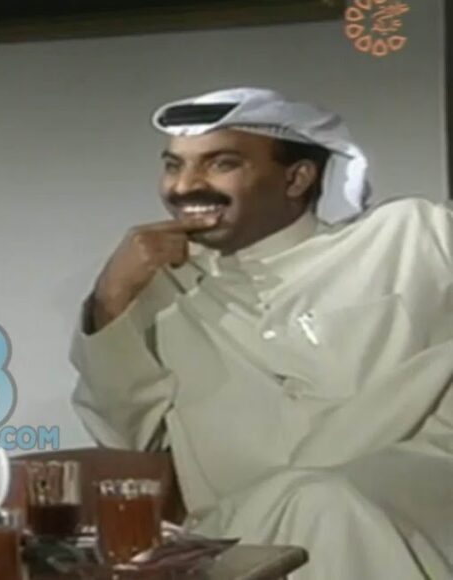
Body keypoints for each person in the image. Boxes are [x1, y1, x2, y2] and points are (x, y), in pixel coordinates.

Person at [69, 87, 453, 579]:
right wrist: (111, 296)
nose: (185, 186)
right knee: (318, 503)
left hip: (417, 499)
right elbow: (127, 437)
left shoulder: (408, 235)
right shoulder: (161, 287)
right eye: (173, 166)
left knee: (326, 501)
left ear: (296, 178)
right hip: (247, 523)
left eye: (220, 164)